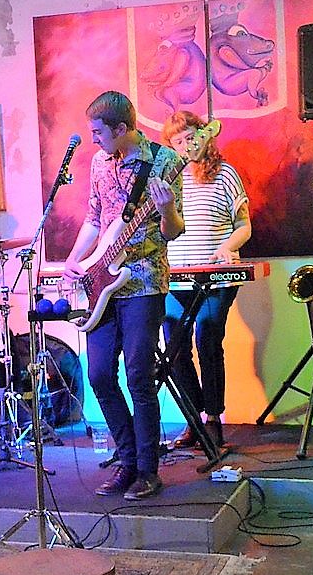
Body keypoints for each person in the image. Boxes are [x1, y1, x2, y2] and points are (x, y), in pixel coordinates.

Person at [63, 91, 185, 500]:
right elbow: (95, 219)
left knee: (138, 376)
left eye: (99, 132)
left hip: (144, 283)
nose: (93, 139)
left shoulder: (165, 162)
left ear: (121, 128)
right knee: (98, 374)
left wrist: (166, 210)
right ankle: (127, 460)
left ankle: (148, 470)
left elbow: (173, 231)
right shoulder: (99, 162)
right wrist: (76, 259)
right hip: (103, 283)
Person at [161, 111, 251, 449]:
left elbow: (244, 226)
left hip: (216, 278)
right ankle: (192, 419)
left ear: (204, 136)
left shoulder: (225, 174)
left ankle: (213, 420)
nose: (187, 145)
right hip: (176, 280)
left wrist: (227, 247)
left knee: (208, 338)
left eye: (191, 137)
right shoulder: (169, 180)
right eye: (178, 141)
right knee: (174, 347)